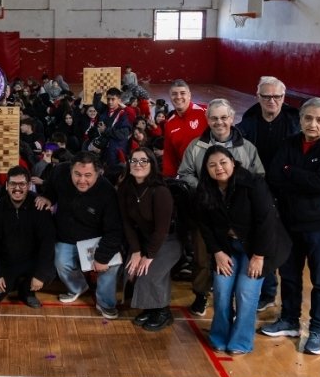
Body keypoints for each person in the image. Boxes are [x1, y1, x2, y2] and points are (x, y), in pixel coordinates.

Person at [260, 98, 320, 355]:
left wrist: (291, 171)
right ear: (300, 120)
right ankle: (289, 320)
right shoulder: (289, 143)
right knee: (288, 275)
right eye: (308, 118)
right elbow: (274, 176)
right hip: (289, 223)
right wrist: (297, 175)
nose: (313, 123)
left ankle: (319, 330)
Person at [196, 146, 288, 355]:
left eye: (223, 162)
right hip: (226, 248)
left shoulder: (252, 183)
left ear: (233, 163)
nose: (218, 168)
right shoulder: (206, 190)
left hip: (257, 249)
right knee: (221, 287)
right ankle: (219, 335)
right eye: (212, 165)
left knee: (246, 291)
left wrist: (258, 256)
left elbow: (267, 221)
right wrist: (217, 252)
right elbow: (204, 225)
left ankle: (241, 341)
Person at [178, 98, 265, 316]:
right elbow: (185, 173)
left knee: (232, 258)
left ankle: (231, 301)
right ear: (207, 119)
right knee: (201, 256)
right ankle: (201, 294)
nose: (219, 122)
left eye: (224, 117)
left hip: (238, 219)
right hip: (205, 213)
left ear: (232, 118)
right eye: (214, 118)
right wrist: (205, 188)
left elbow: (259, 177)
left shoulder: (247, 148)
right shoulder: (196, 146)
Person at [236, 76, 301, 312]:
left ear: (284, 98)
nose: (272, 101)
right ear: (258, 97)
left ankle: (288, 300)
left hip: (287, 190)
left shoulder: (295, 122)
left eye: (277, 97)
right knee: (262, 239)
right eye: (267, 96)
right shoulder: (248, 122)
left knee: (284, 244)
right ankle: (268, 292)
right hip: (258, 190)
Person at [35, 151, 123, 320]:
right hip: (66, 236)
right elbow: (52, 187)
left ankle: (105, 303)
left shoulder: (108, 192)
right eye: (77, 174)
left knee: (110, 266)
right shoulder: (60, 172)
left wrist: (102, 257)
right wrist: (47, 197)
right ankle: (78, 287)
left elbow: (114, 230)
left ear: (98, 173)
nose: (82, 180)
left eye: (88, 175)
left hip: (96, 239)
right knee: (60, 261)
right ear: (70, 170)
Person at [117, 149, 178, 331]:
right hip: (144, 239)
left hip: (168, 240)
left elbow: (162, 230)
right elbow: (126, 223)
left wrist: (148, 256)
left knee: (148, 272)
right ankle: (151, 308)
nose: (138, 164)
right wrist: (136, 251)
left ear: (152, 164)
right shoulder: (125, 188)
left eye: (144, 160)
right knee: (131, 270)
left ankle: (163, 312)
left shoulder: (160, 191)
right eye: (134, 160)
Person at [0, 166, 56, 308]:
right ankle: (13, 284)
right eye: (13, 184)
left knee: (48, 273)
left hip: (32, 262)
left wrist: (40, 274)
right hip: (7, 264)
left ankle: (26, 291)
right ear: (6, 185)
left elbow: (47, 243)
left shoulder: (40, 207)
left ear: (29, 185)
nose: (17, 188)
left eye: (22, 184)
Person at [161, 79, 208, 178]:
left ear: (189, 95)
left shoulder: (206, 112)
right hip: (188, 176)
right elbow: (169, 155)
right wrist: (169, 178)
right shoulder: (169, 124)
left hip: (211, 172)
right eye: (174, 94)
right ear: (170, 96)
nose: (178, 97)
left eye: (182, 93)